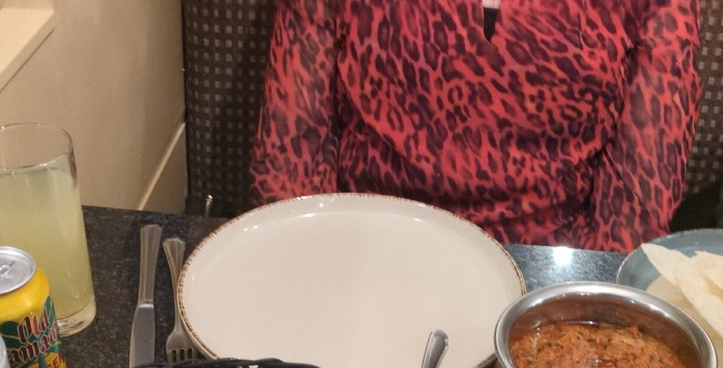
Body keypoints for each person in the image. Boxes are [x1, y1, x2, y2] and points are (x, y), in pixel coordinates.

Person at [250, 0, 701, 253]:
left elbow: (641, 198)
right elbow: (291, 161)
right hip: (368, 249)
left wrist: (581, 319)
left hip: (550, 276)